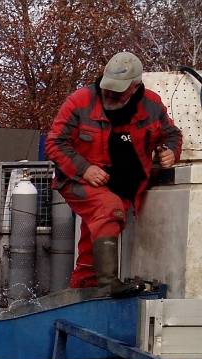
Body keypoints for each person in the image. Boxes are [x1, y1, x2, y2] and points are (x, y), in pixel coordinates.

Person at [46, 51, 181, 294]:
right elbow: (55, 144)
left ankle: (85, 287)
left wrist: (171, 151)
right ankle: (108, 285)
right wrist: (85, 169)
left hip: (126, 185)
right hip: (79, 180)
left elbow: (172, 134)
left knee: (96, 234)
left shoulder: (152, 104)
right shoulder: (79, 101)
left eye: (118, 90)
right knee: (108, 209)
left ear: (135, 86)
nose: (109, 93)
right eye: (108, 86)